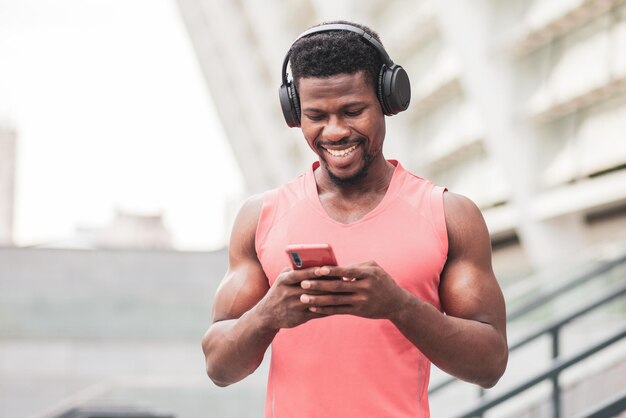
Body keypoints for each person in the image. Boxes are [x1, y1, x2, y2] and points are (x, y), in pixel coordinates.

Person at [202, 20, 508, 417]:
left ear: (388, 99)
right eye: (316, 115)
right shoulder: (260, 216)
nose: (334, 131)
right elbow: (219, 368)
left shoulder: (449, 215)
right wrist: (268, 314)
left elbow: (489, 365)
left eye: (353, 111)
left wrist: (399, 306)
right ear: (295, 113)